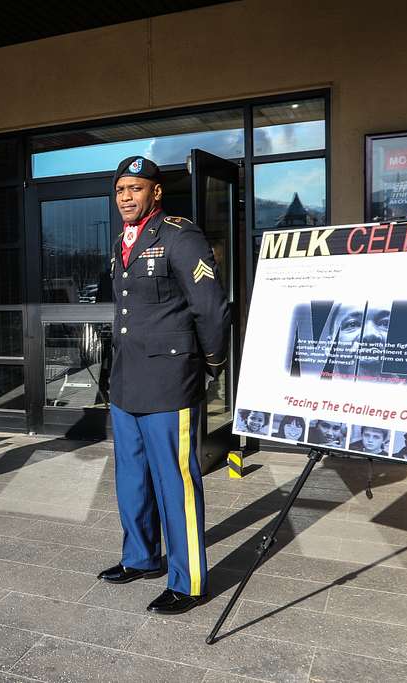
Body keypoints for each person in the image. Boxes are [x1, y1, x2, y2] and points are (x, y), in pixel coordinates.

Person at [96, 156, 229, 616]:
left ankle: (189, 580)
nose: (126, 197)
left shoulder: (179, 235)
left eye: (135, 189)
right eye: (120, 191)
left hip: (170, 380)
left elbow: (210, 308)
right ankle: (141, 558)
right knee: (132, 479)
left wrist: (211, 363)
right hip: (128, 379)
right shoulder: (121, 244)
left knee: (176, 483)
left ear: (156, 193)